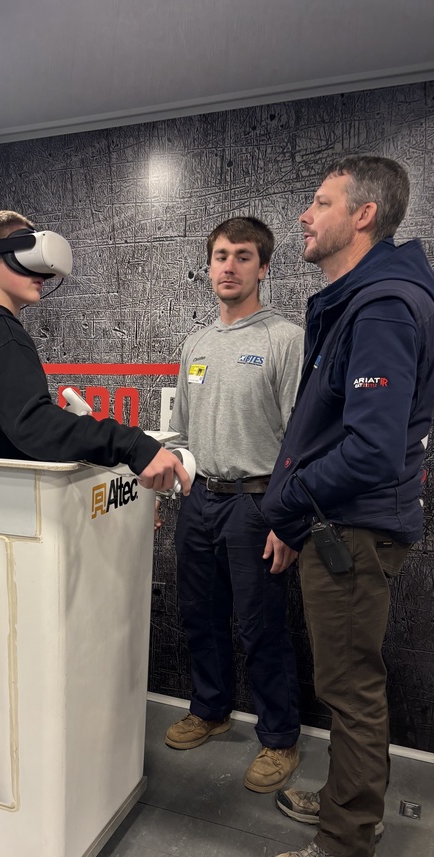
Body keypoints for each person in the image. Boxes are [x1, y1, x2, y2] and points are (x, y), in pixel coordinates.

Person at [261, 155, 434, 857]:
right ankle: (345, 801)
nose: (304, 215)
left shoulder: (385, 305)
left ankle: (348, 839)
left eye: (319, 201)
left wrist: (287, 502)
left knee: (351, 684)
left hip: (354, 533)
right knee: (343, 680)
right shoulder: (357, 298)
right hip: (339, 525)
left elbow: (368, 449)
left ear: (363, 214)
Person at [163, 217, 304, 793]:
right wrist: (165, 492)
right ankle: (211, 709)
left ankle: (280, 739)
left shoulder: (285, 339)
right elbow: (179, 432)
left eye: (242, 256)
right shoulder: (195, 343)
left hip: (256, 503)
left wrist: (288, 521)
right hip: (199, 499)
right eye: (220, 255)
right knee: (199, 614)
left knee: (260, 625)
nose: (228, 266)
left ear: (263, 267)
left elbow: (302, 438)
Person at [0, 210, 188, 493]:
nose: (42, 273)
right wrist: (133, 445)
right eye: (25, 255)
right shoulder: (3, 333)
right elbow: (33, 425)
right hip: (15, 511)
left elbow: (5, 423)